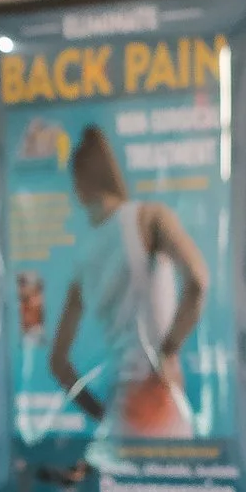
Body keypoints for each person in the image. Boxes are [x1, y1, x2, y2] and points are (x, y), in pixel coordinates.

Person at [46, 124, 208, 443]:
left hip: (119, 426)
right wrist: (168, 351)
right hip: (163, 412)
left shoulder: (82, 261)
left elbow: (58, 363)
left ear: (79, 187)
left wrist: (103, 415)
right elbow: (198, 281)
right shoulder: (150, 218)